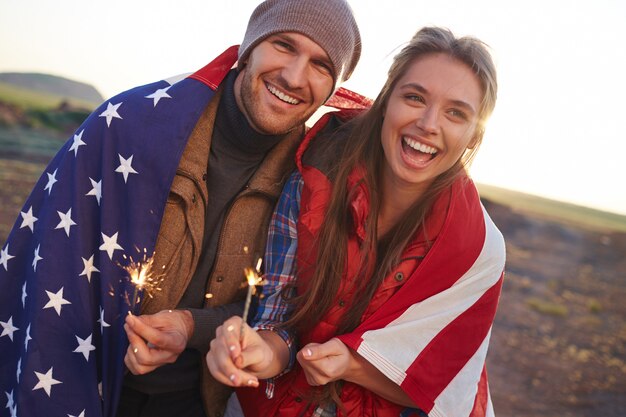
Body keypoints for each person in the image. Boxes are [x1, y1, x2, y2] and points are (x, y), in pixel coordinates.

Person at [0, 1, 361, 416]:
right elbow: (53, 266)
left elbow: (281, 308)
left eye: (321, 65)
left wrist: (189, 327)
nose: (294, 76)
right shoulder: (131, 127)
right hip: (76, 379)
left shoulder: (312, 184)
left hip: (197, 402)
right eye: (284, 45)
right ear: (249, 48)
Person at [206, 26, 505, 417]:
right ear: (385, 102)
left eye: (455, 113)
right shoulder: (314, 175)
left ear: (471, 136)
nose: (429, 124)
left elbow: (444, 387)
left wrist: (352, 364)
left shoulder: (478, 248)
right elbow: (278, 322)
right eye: (414, 97)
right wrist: (259, 350)